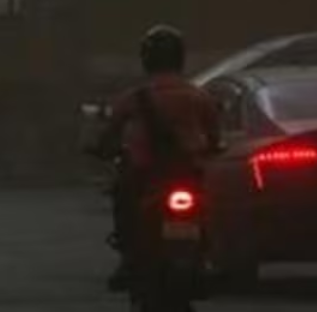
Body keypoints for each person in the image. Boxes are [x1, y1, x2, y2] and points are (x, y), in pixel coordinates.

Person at [88, 25, 221, 293]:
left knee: (122, 199)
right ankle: (203, 259)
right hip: (188, 172)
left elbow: (108, 136)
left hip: (145, 174)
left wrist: (98, 149)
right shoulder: (198, 95)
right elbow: (214, 137)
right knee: (208, 207)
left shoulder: (134, 98)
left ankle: (127, 259)